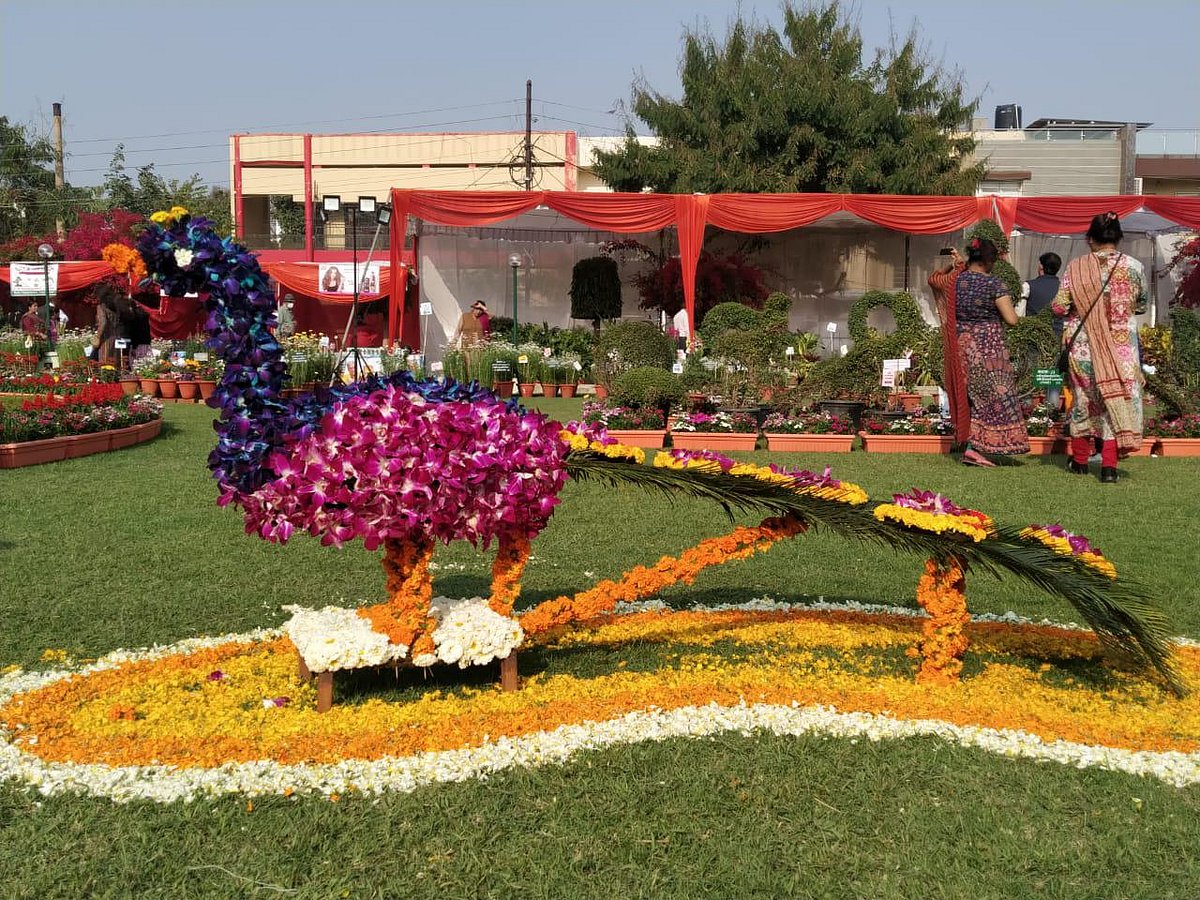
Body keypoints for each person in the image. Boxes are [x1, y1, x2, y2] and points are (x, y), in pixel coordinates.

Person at [1052, 212, 1147, 484]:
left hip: (1084, 347)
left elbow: (1059, 306)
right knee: (1113, 401)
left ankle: (1080, 461)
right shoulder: (1134, 267)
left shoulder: (1077, 267)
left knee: (1084, 399)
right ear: (1118, 237)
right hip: (1121, 350)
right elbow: (1140, 305)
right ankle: (1108, 468)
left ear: (1090, 239)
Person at [937, 238, 1029, 466]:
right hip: (987, 346)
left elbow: (934, 278)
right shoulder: (994, 284)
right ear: (989, 260)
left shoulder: (954, 280)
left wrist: (956, 265)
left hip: (960, 344)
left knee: (969, 395)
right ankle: (975, 447)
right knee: (990, 396)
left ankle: (970, 445)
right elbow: (1012, 319)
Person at [1023, 252, 1063, 412]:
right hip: (1055, 337)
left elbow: (1019, 313)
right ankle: (1051, 412)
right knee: (1052, 376)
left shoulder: (1028, 286)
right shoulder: (1064, 287)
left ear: (1041, 267)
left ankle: (1025, 411)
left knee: (1027, 375)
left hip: (1033, 338)